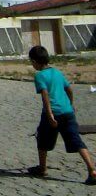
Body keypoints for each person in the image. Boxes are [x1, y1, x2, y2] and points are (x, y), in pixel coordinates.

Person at [27, 45, 96, 184]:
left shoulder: (39, 75)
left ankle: (42, 168)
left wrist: (50, 114)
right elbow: (69, 89)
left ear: (35, 61)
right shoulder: (57, 72)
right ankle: (92, 169)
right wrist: (70, 105)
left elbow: (45, 95)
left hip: (52, 113)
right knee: (77, 141)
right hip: (67, 112)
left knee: (42, 138)